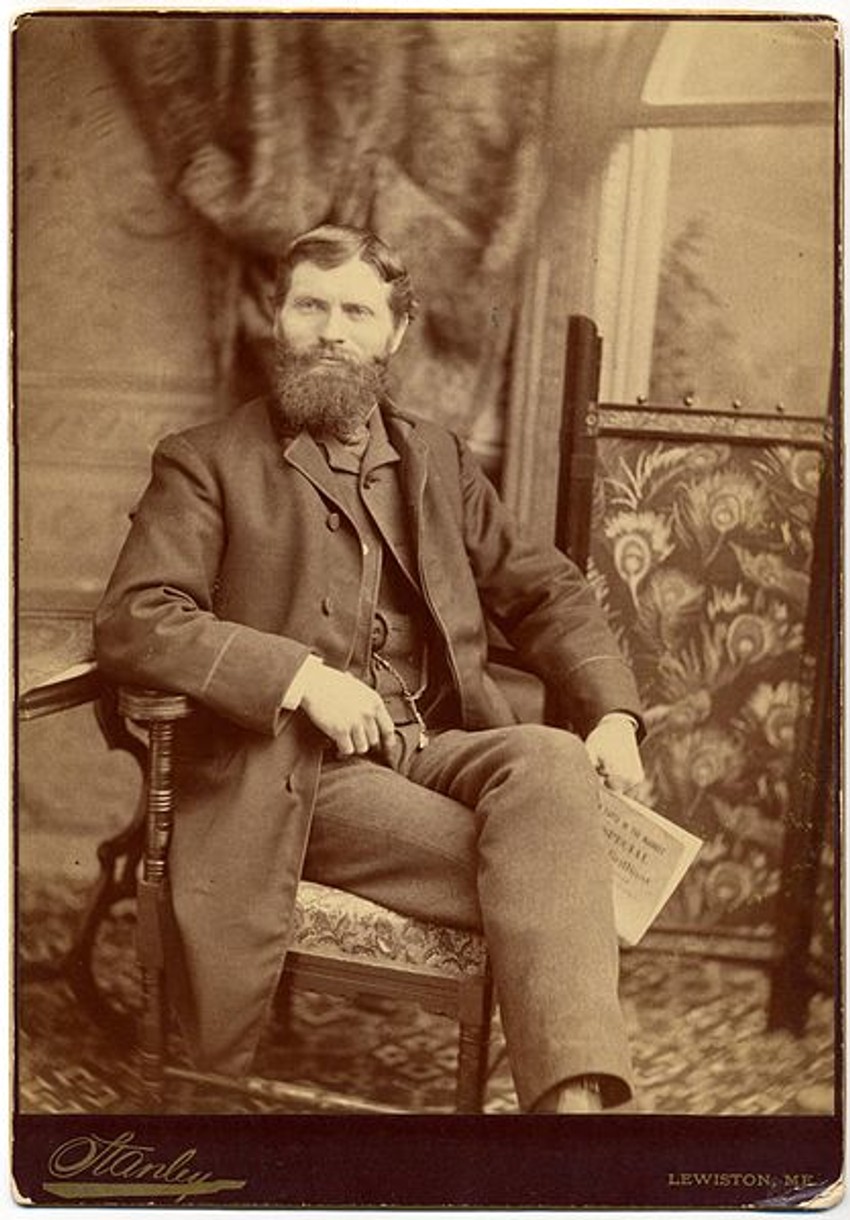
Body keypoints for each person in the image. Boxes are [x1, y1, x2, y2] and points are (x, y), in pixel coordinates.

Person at [94, 223, 646, 1113]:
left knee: (551, 760)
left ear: (396, 332)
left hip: (435, 741)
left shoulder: (437, 458)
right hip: (296, 775)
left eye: (357, 311)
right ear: (277, 318)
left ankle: (566, 1114)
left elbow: (544, 589)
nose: (331, 331)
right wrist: (301, 678)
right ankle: (570, 1121)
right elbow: (137, 616)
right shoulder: (205, 461)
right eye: (310, 306)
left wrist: (613, 715)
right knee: (554, 859)